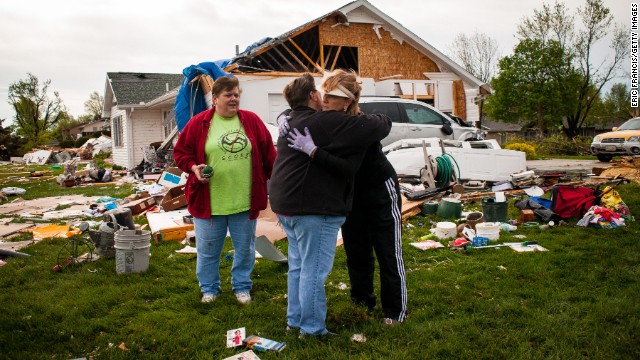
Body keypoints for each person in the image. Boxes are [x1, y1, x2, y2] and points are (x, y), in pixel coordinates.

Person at [269, 73, 392, 337]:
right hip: (312, 208)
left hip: (284, 203)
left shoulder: (292, 120)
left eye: (331, 95)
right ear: (313, 96)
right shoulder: (327, 120)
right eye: (321, 93)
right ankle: (312, 329)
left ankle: (295, 321)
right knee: (313, 270)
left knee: (299, 266)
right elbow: (381, 124)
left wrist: (284, 117)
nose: (324, 98)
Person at [173, 76, 276, 305]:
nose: (234, 99)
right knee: (208, 250)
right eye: (228, 95)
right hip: (210, 201)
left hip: (244, 200)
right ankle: (209, 288)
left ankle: (241, 286)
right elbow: (181, 153)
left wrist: (277, 183)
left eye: (237, 95)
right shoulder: (199, 123)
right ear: (216, 98)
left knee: (245, 249)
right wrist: (193, 167)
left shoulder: (251, 121)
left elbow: (269, 154)